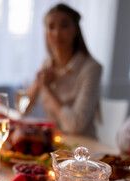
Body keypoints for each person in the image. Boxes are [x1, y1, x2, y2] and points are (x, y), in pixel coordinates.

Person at [26, 3, 102, 138]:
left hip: (83, 149)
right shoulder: (47, 64)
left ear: (75, 31)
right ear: (46, 33)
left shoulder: (91, 69)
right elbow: (23, 111)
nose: (57, 33)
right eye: (51, 27)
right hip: (54, 145)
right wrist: (35, 90)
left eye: (64, 26)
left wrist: (47, 89)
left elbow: (75, 125)